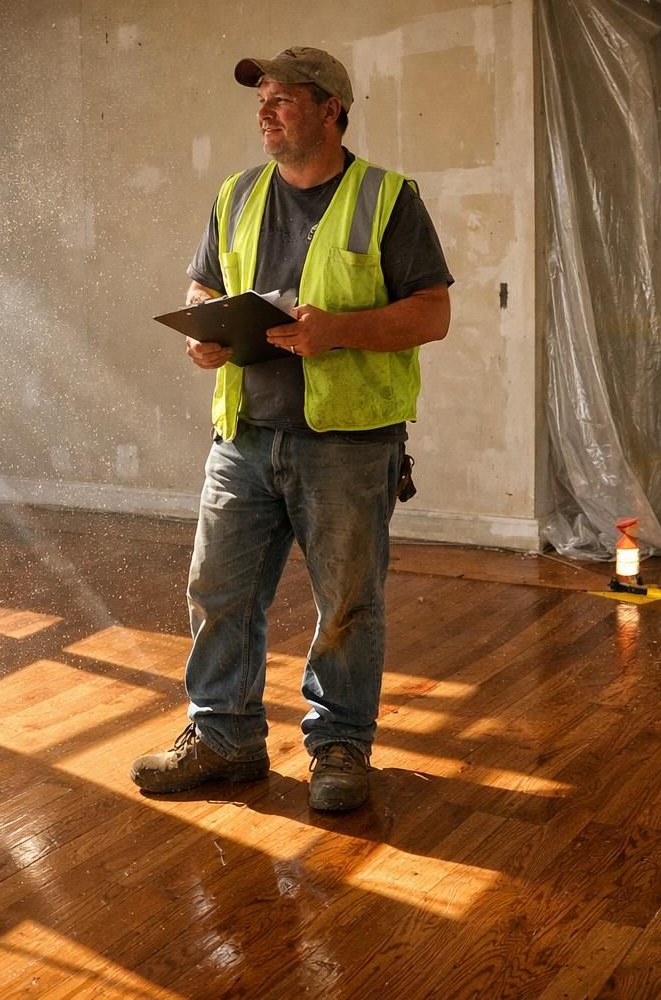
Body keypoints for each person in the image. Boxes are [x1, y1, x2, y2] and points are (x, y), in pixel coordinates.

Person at [131, 46, 452, 812]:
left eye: (281, 97)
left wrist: (337, 330)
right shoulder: (238, 193)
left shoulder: (387, 198)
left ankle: (340, 744)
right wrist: (203, 331)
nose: (264, 112)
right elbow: (205, 282)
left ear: (331, 109)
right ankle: (224, 736)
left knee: (346, 602)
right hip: (243, 435)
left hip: (348, 443)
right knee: (218, 592)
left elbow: (432, 313)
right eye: (261, 99)